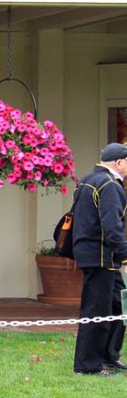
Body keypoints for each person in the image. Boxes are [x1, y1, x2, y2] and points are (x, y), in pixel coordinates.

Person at [70, 142, 127, 376]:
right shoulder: (110, 185)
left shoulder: (87, 179)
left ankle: (108, 357)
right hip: (101, 258)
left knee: (118, 306)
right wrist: (124, 255)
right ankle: (88, 365)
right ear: (119, 163)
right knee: (96, 312)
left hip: (92, 254)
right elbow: (112, 227)